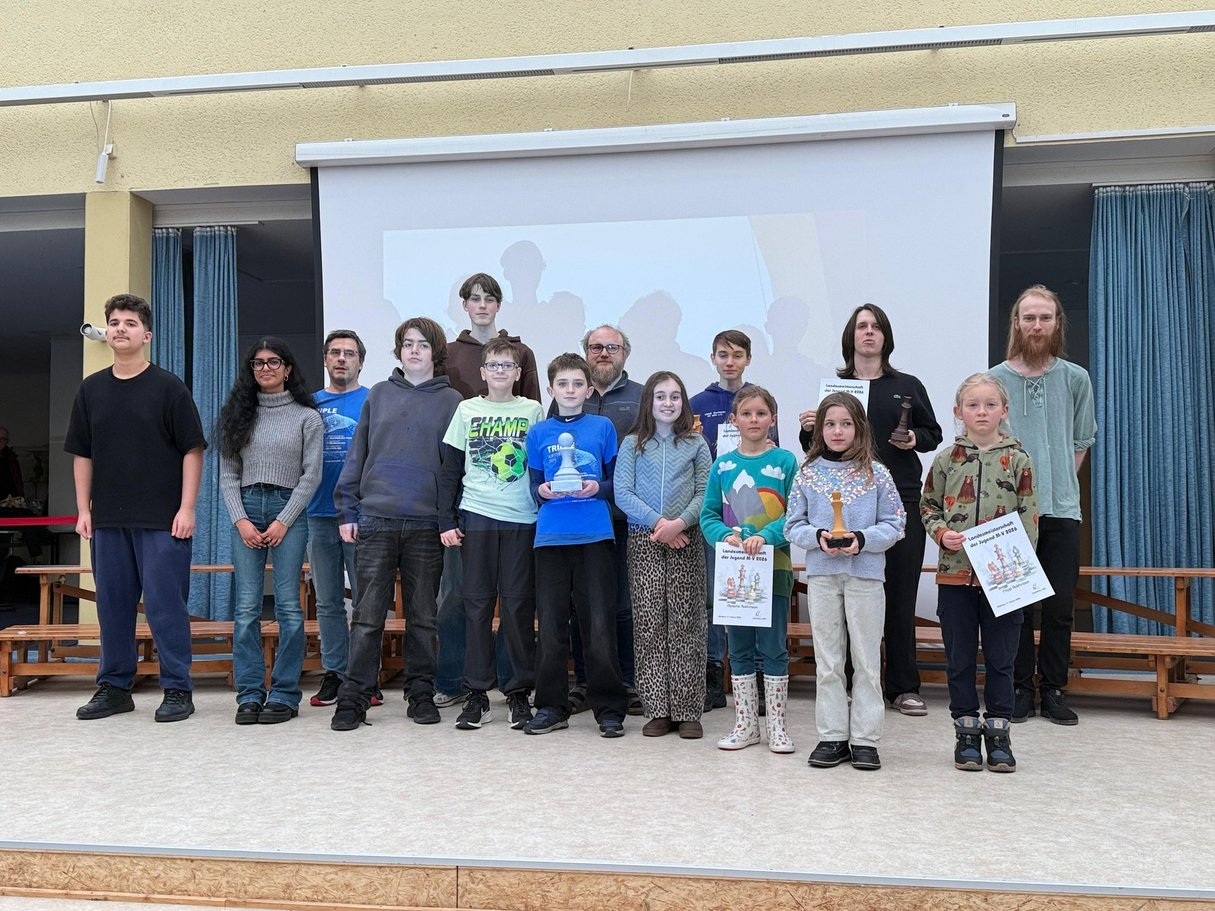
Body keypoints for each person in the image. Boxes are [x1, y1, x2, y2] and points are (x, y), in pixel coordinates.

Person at [65, 293, 206, 723]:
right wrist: (83, 509)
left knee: (166, 608)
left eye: (130, 323)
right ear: (107, 332)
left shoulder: (168, 388)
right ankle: (114, 687)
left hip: (162, 520)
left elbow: (193, 450)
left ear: (147, 335)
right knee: (112, 609)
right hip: (108, 519)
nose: (120, 328)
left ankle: (177, 688)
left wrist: (187, 508)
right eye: (114, 322)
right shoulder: (91, 390)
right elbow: (82, 454)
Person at [798, 304, 942, 717]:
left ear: (885, 337)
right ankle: (845, 683)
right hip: (844, 506)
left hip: (899, 500)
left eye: (876, 327)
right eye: (861, 326)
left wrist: (914, 439)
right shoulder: (835, 389)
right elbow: (820, 446)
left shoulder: (907, 385)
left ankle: (903, 686)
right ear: (851, 337)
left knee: (900, 595)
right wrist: (807, 429)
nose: (868, 332)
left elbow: (933, 433)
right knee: (846, 597)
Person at [330, 317, 462, 731]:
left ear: (435, 352)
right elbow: (358, 453)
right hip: (376, 519)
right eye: (407, 344)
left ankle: (420, 692)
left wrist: (448, 517)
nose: (414, 350)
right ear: (399, 350)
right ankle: (354, 697)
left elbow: (453, 470)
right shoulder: (380, 395)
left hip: (426, 525)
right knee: (368, 616)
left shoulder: (453, 401)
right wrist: (347, 509)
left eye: (422, 344)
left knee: (423, 617)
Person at [434, 272, 542, 708]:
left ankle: (513, 686)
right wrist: (447, 516)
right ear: (465, 305)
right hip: (474, 510)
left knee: (516, 603)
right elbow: (450, 463)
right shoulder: (452, 366)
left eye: (490, 298)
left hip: (519, 512)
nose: (482, 305)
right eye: (474, 299)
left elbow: (538, 448)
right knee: (463, 601)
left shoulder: (527, 387)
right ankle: (459, 683)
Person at [921, 373, 1038, 772]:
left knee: (1002, 659)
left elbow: (1030, 515)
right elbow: (928, 505)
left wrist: (1019, 565)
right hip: (955, 578)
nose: (982, 412)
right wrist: (941, 533)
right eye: (973, 405)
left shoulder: (1019, 460)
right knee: (960, 659)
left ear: (1004, 410)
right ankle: (966, 731)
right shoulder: (946, 459)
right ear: (959, 412)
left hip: (1005, 579)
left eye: (990, 405)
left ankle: (1000, 732)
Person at [991, 285, 1095, 725]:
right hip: (1010, 515)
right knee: (1014, 605)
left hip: (1061, 510)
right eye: (1029, 318)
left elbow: (1080, 441)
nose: (1036, 326)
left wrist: (1056, 482)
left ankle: (1053, 689)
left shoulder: (1076, 378)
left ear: (1056, 324)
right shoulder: (994, 380)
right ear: (1016, 323)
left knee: (1059, 608)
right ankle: (1018, 688)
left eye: (1045, 318)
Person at [786, 392, 905, 771]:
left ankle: (866, 739)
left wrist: (863, 539)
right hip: (822, 576)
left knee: (866, 660)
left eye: (846, 424)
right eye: (830, 424)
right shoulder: (807, 473)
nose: (838, 431)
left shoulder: (877, 474)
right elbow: (793, 525)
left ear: (860, 428)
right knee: (828, 660)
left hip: (865, 576)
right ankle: (832, 736)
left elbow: (896, 523)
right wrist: (818, 537)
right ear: (820, 430)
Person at [219, 338, 323, 725]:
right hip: (246, 507)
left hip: (287, 509)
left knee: (288, 607)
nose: (266, 368)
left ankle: (284, 693)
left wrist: (285, 519)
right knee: (246, 608)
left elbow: (311, 475)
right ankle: (249, 693)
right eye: (258, 363)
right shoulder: (237, 415)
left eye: (274, 361)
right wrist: (241, 520)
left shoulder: (307, 418)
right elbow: (228, 474)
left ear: (288, 368)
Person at [524, 352, 628, 736]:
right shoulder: (538, 433)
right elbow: (534, 485)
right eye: (563, 384)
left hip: (595, 536)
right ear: (551, 389)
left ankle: (609, 708)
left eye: (577, 384)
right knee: (551, 627)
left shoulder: (603, 427)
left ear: (589, 389)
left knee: (599, 624)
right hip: (550, 538)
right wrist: (542, 492)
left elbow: (616, 482)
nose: (570, 390)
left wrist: (597, 487)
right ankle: (551, 706)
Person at [548, 324, 643, 715]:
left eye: (612, 347)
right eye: (596, 347)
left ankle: (625, 682)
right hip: (576, 520)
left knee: (620, 604)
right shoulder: (566, 400)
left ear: (625, 353)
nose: (604, 353)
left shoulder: (641, 397)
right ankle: (585, 683)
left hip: (624, 518)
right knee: (578, 605)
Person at [699, 386, 799, 753]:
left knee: (772, 648)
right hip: (733, 574)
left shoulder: (786, 462)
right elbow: (709, 515)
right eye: (746, 414)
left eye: (761, 413)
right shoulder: (723, 465)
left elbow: (795, 515)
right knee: (738, 648)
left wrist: (766, 536)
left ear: (773, 419)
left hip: (775, 570)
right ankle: (745, 726)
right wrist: (724, 536)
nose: (753, 420)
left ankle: (777, 727)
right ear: (734, 420)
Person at [614, 371, 712, 739]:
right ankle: (657, 708)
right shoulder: (633, 444)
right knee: (649, 622)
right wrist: (660, 524)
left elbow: (705, 492)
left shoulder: (696, 444)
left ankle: (687, 710)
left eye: (674, 396)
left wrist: (680, 524)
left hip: (687, 539)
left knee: (687, 622)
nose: (668, 403)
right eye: (660, 396)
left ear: (683, 402)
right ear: (649, 402)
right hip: (645, 539)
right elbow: (623, 493)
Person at [690, 329, 780, 714]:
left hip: (758, 516)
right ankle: (713, 672)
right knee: (716, 596)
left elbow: (775, 456)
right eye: (723, 355)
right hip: (720, 519)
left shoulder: (760, 401)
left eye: (737, 355)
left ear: (748, 359)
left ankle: (759, 676)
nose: (730, 362)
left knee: (755, 595)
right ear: (713, 358)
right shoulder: (697, 403)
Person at [306, 330, 371, 707]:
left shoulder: (373, 401)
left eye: (349, 353)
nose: (342, 358)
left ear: (361, 361)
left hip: (361, 515)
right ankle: (335, 672)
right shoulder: (310, 404)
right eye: (334, 353)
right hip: (318, 514)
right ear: (326, 360)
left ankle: (365, 676)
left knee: (365, 600)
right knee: (328, 601)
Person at [0, 426, 23, 501]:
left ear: (7, 441)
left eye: (3, 439)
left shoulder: (11, 458)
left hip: (10, 501)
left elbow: (17, 480)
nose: (0, 441)